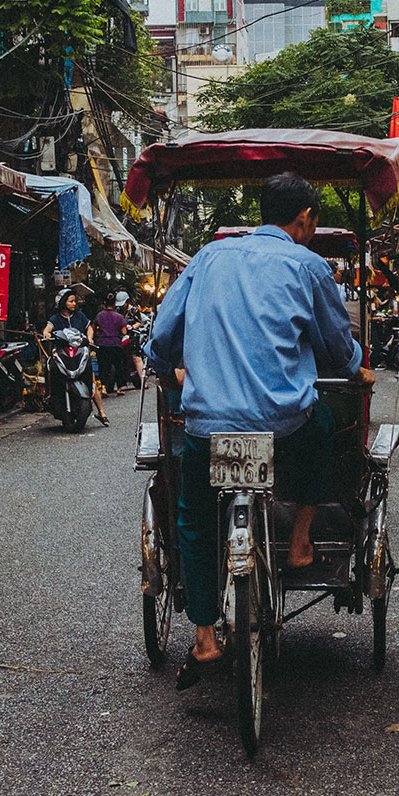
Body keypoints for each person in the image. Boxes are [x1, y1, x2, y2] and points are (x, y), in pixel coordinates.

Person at [146, 172, 370, 687]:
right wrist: (356, 364)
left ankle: (203, 638)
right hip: (284, 426)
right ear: (306, 219)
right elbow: (337, 346)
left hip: (209, 428)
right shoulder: (309, 266)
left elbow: (161, 338)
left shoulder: (207, 257)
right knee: (322, 425)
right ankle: (299, 540)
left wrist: (168, 363)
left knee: (196, 517)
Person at [43, 290, 108, 426]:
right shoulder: (56, 318)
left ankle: (101, 412)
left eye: (74, 301)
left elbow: (89, 327)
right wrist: (47, 334)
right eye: (71, 301)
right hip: (62, 353)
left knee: (91, 379)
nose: (74, 304)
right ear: (62, 303)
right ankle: (49, 394)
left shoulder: (79, 316)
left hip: (79, 352)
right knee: (49, 367)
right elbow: (48, 328)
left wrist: (89, 337)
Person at [93, 297, 130, 397]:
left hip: (102, 343)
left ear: (105, 304)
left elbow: (94, 328)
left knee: (103, 366)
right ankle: (119, 388)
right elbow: (124, 331)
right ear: (114, 304)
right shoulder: (119, 316)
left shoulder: (99, 315)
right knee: (119, 366)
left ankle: (104, 388)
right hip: (115, 344)